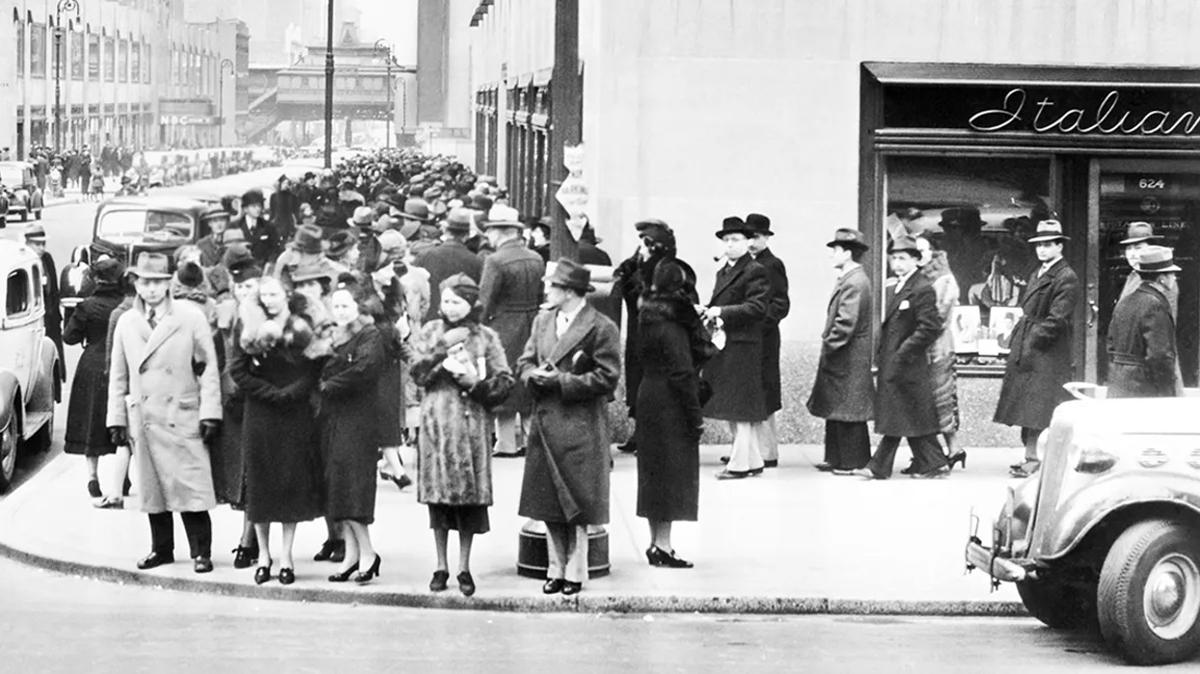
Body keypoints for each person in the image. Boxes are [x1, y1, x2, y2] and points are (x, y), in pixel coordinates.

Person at [106, 252, 222, 573]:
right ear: (136, 284)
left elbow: (207, 368)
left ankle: (202, 551)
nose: (152, 289)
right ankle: (162, 549)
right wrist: (116, 418)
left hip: (181, 413)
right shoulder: (127, 322)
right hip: (145, 416)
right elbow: (118, 374)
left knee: (190, 488)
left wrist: (210, 412)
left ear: (169, 282)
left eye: (158, 282)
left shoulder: (189, 316)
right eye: (145, 282)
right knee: (153, 490)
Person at [517, 259, 621, 595]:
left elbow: (608, 378)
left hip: (580, 425)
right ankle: (555, 567)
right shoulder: (542, 320)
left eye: (552, 286)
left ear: (570, 291)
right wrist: (533, 376)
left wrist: (562, 382)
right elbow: (526, 360)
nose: (546, 291)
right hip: (547, 422)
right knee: (547, 503)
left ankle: (576, 571)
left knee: (577, 503)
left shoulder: (601, 327)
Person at [411, 274, 513, 596]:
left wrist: (476, 383)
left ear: (471, 304)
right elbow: (417, 373)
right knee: (438, 504)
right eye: (446, 301)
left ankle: (464, 567)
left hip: (471, 428)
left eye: (457, 301)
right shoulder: (431, 332)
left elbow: (504, 381)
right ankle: (440, 565)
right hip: (437, 428)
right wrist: (441, 355)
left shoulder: (485, 337)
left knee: (468, 505)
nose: (450, 308)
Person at [231, 276, 325, 586]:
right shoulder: (247, 325)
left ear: (285, 294)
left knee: (289, 483)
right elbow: (237, 370)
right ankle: (264, 556)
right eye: (264, 295)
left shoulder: (300, 326)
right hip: (260, 412)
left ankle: (286, 556)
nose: (269, 300)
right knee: (261, 483)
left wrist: (290, 394)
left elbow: (313, 368)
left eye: (274, 294)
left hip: (294, 413)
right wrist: (270, 393)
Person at [854, 236, 949, 480]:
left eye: (903, 258)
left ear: (916, 260)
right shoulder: (899, 285)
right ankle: (933, 462)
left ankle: (879, 466)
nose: (897, 263)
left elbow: (931, 326)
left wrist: (904, 351)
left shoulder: (921, 287)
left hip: (908, 363)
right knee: (907, 414)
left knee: (901, 413)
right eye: (894, 258)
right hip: (896, 361)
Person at [635, 257, 709, 569]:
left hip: (649, 395)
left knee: (653, 474)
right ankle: (663, 546)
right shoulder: (675, 325)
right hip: (671, 403)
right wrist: (696, 417)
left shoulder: (647, 316)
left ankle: (656, 542)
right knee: (671, 475)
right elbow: (682, 373)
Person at [994, 220, 1081, 478]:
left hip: (1047, 350)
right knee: (1028, 405)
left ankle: (1038, 458)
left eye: (1047, 245)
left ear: (1059, 247)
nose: (1042, 250)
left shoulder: (1066, 277)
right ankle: (1031, 456)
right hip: (1030, 342)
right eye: (1039, 245)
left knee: (1039, 407)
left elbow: (1058, 318)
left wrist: (1034, 341)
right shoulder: (1040, 272)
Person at [319, 286, 387, 584]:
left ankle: (368, 552)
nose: (341, 310)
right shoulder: (330, 335)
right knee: (337, 485)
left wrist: (328, 384)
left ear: (358, 307)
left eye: (346, 305)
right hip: (332, 419)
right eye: (336, 305)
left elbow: (365, 369)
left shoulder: (369, 335)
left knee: (353, 485)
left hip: (358, 419)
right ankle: (351, 554)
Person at [703, 217, 771, 480]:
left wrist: (721, 311)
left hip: (744, 347)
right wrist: (709, 310)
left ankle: (739, 465)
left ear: (747, 243)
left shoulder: (755, 270)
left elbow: (757, 308)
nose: (730, 245)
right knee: (733, 405)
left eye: (736, 240)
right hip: (728, 345)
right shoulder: (724, 271)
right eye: (726, 240)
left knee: (740, 408)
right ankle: (751, 459)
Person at [478, 204, 545, 458]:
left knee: (503, 379)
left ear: (500, 232)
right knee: (527, 378)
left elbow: (485, 300)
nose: (489, 237)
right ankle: (530, 439)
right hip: (531, 321)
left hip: (504, 324)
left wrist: (478, 327)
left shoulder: (495, 261)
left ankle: (506, 443)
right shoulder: (536, 258)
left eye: (491, 231)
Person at [808, 229, 875, 474]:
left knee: (848, 410)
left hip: (847, 355)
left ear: (847, 253)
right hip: (843, 355)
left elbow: (847, 322)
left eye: (835, 251)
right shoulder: (851, 279)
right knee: (839, 408)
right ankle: (837, 458)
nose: (831, 256)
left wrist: (830, 344)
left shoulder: (855, 281)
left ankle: (852, 461)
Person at [63, 258, 127, 505]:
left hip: (91, 364)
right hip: (119, 365)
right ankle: (122, 478)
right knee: (120, 420)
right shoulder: (124, 306)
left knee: (90, 419)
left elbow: (69, 337)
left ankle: (92, 476)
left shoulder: (87, 306)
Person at [915, 227, 966, 470]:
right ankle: (935, 453)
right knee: (928, 401)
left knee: (941, 398)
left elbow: (938, 316)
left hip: (938, 347)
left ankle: (954, 448)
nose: (919, 254)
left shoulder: (944, 279)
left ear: (932, 251)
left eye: (923, 250)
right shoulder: (921, 275)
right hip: (924, 347)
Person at [1107, 245, 1181, 398]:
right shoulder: (1155, 305)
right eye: (1171, 273)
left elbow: (1111, 344)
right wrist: (1167, 393)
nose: (1174, 277)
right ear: (1161, 278)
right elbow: (1159, 355)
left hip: (1119, 384)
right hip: (1144, 389)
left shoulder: (1125, 301)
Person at [745, 213, 789, 468]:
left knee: (764, 392)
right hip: (749, 339)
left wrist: (759, 324)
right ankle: (748, 449)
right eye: (748, 237)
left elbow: (781, 303)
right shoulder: (747, 263)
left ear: (766, 238)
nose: (751, 242)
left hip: (764, 339)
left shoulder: (772, 264)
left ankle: (767, 452)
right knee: (749, 392)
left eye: (756, 237)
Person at [413, 208, 484, 321]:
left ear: (446, 231)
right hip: (461, 321)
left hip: (429, 320)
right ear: (467, 236)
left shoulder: (424, 256)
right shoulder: (476, 261)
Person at [24, 226, 64, 371]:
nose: (41, 248)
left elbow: (54, 289)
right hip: (33, 321)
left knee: (54, 363)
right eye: (37, 244)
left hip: (51, 318)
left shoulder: (47, 259)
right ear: (27, 243)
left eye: (43, 244)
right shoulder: (23, 262)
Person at [234, 189, 282, 267]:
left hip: (264, 268)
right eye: (254, 206)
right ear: (245, 209)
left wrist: (270, 263)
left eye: (259, 206)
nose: (258, 209)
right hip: (242, 268)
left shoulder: (268, 226)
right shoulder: (236, 226)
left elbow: (275, 247)